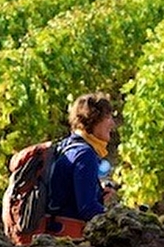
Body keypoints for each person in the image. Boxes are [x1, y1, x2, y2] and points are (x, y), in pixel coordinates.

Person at [40, 92, 119, 239]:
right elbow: (87, 209)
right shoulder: (85, 154)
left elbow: (66, 196)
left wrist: (99, 196)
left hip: (50, 234)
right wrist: (118, 217)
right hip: (67, 238)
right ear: (93, 119)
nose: (113, 124)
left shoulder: (65, 146)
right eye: (108, 117)